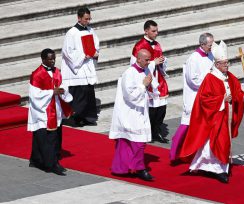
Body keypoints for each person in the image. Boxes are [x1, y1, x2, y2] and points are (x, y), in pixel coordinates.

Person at [179, 41, 244, 183]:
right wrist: (222, 99)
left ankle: (217, 167)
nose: (227, 65)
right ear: (217, 64)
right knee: (216, 142)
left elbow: (237, 91)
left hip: (227, 116)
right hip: (214, 117)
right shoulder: (210, 78)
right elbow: (204, 99)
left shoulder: (229, 76)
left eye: (228, 63)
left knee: (223, 141)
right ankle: (217, 170)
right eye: (224, 63)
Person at [109, 49, 156, 181]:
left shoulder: (146, 70)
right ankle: (140, 168)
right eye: (147, 60)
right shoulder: (129, 73)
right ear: (138, 59)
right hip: (130, 113)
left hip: (140, 111)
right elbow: (129, 95)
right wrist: (144, 85)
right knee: (136, 142)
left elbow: (149, 87)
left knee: (132, 142)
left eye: (149, 59)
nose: (149, 62)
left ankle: (123, 168)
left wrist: (150, 87)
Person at [28, 48, 73, 176]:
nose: (53, 61)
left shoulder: (57, 71)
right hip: (43, 111)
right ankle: (52, 164)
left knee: (46, 137)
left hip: (55, 108)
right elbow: (34, 95)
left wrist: (63, 89)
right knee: (47, 138)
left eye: (54, 58)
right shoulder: (37, 74)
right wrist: (52, 92)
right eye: (50, 59)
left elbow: (62, 84)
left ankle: (36, 160)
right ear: (43, 60)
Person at [170, 33, 214, 162]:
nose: (212, 47)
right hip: (194, 96)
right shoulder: (193, 58)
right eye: (210, 45)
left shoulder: (211, 55)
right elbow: (192, 79)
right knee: (187, 124)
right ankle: (175, 152)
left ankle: (193, 153)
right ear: (202, 44)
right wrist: (208, 83)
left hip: (207, 96)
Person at [130, 20, 169, 143]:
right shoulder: (139, 45)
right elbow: (134, 65)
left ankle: (156, 131)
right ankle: (149, 132)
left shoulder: (157, 45)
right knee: (151, 109)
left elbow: (159, 61)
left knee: (161, 108)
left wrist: (163, 61)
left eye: (157, 30)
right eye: (153, 31)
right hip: (147, 78)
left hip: (158, 78)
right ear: (146, 31)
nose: (156, 33)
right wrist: (153, 63)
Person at [61, 7, 99, 126]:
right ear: (79, 18)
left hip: (87, 66)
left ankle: (88, 117)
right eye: (86, 19)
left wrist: (95, 52)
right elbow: (67, 52)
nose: (88, 21)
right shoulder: (71, 33)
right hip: (77, 68)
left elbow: (96, 44)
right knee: (79, 94)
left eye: (89, 19)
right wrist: (83, 55)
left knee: (88, 93)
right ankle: (75, 118)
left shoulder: (90, 30)